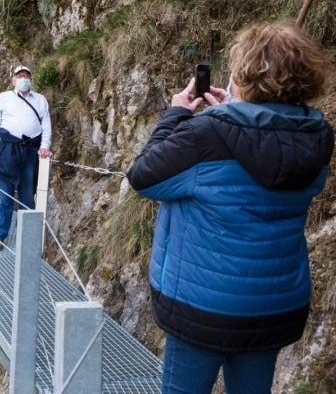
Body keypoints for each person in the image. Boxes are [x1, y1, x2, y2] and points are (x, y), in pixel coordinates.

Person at [126, 21, 334, 393]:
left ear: (246, 76)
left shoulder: (205, 133)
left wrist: (176, 115)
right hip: (272, 305)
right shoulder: (317, 137)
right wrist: (236, 113)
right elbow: (264, 141)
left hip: (201, 305)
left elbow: (144, 176)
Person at [0, 65, 52, 251]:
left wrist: (44, 146)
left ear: (31, 79)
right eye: (19, 75)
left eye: (26, 75)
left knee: (27, 195)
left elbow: (46, 125)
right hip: (8, 149)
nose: (23, 78)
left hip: (30, 150)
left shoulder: (40, 100)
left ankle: (25, 237)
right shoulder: (3, 97)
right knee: (5, 194)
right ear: (13, 80)